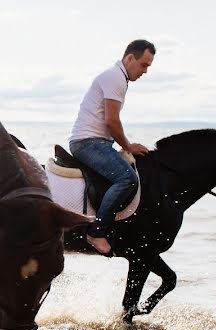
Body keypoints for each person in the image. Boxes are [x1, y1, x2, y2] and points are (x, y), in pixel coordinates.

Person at [69, 39, 156, 255]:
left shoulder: (118, 78)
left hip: (97, 141)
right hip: (88, 142)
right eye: (143, 65)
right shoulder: (115, 77)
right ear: (129, 58)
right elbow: (112, 121)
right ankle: (97, 232)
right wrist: (128, 146)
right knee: (127, 178)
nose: (144, 71)